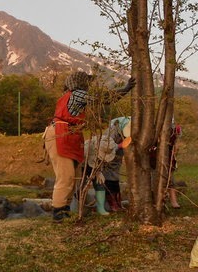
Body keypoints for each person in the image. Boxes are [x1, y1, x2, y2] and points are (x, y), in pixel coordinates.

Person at [44, 71, 135, 222]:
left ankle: (65, 210)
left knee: (72, 176)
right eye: (87, 82)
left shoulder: (69, 97)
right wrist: (125, 89)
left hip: (68, 134)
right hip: (61, 134)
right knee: (66, 176)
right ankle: (58, 212)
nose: (89, 85)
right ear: (80, 82)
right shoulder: (77, 94)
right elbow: (104, 99)